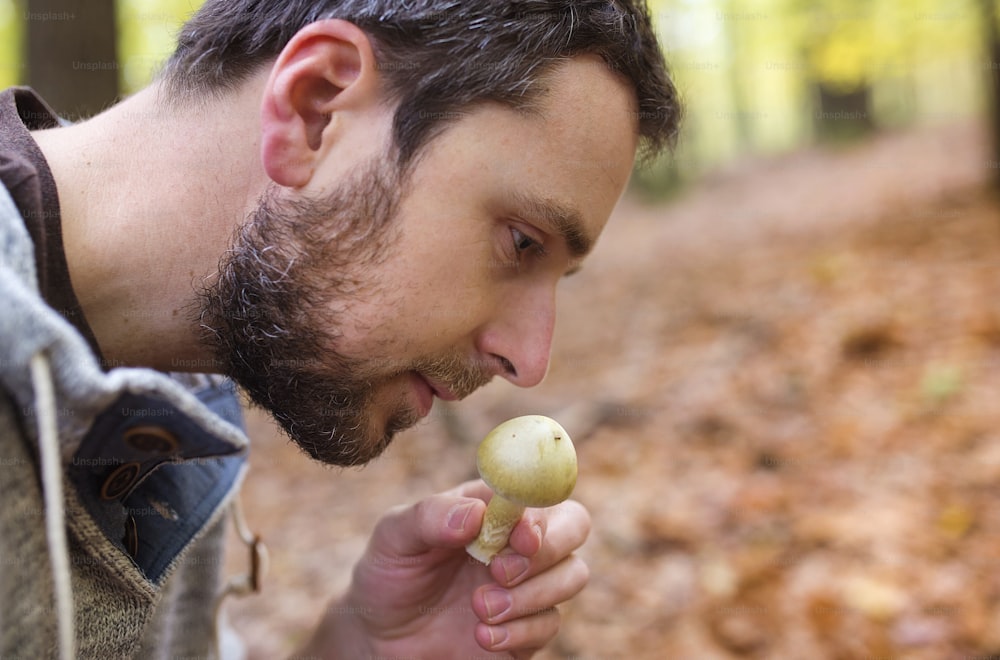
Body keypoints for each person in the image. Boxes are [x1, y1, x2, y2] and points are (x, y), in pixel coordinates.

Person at [0, 0, 681, 657]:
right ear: (317, 107)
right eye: (523, 244)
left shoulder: (173, 406)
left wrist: (360, 648)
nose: (529, 361)